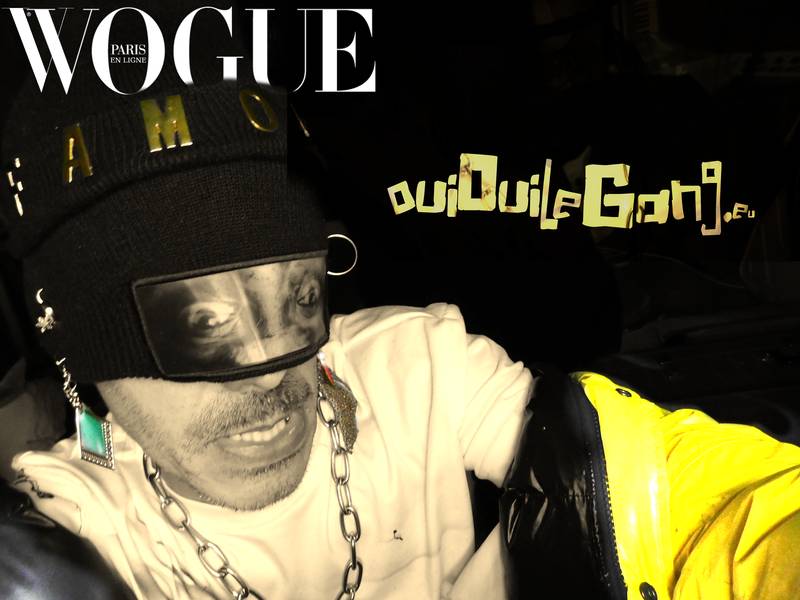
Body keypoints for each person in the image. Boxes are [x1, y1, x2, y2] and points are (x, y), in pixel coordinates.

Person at [1, 26, 799, 600]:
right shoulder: (86, 527)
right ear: (85, 355)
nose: (270, 377)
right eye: (200, 324)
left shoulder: (418, 367)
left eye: (295, 295)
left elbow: (673, 488)